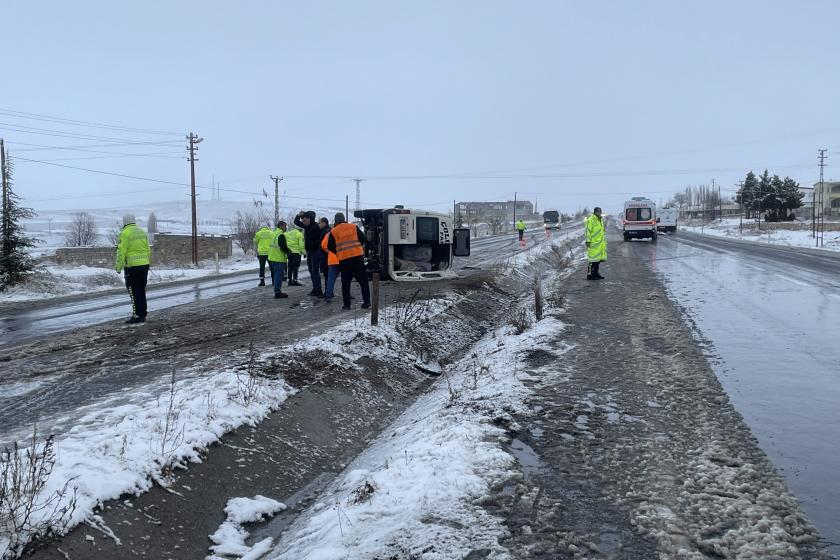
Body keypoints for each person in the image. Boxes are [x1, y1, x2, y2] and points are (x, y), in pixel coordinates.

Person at [328, 212, 370, 310]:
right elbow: (363, 239)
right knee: (363, 281)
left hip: (344, 260)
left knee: (346, 283)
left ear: (335, 221)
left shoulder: (333, 231)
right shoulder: (353, 227)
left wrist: (339, 251)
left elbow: (330, 246)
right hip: (357, 258)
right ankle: (367, 302)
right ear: (344, 219)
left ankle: (347, 305)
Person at [115, 213, 151, 324]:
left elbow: (121, 252)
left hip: (132, 267)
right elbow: (148, 250)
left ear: (124, 222)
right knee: (141, 290)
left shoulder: (124, 233)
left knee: (133, 291)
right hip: (144, 265)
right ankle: (142, 314)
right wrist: (146, 263)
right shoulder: (142, 232)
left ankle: (136, 315)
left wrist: (118, 267)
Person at [294, 210, 324, 297]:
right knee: (311, 271)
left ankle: (318, 289)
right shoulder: (306, 226)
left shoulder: (315, 227)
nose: (303, 222)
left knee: (315, 271)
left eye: (305, 221)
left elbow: (318, 240)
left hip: (315, 251)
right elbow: (296, 222)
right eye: (302, 221)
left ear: (310, 219)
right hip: (310, 252)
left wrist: (314, 246)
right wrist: (298, 215)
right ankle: (315, 288)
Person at [268, 221, 291, 298]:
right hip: (278, 258)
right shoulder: (280, 235)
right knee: (278, 275)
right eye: (285, 226)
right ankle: (277, 292)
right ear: (281, 226)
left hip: (272, 257)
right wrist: (289, 251)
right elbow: (283, 247)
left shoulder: (274, 233)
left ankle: (277, 290)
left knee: (276, 275)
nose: (286, 228)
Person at [585, 207, 607, 280]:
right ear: (595, 212)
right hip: (593, 243)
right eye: (598, 212)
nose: (599, 213)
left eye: (600, 212)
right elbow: (587, 231)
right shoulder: (591, 220)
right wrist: (588, 241)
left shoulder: (600, 219)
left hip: (599, 243)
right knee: (592, 260)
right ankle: (590, 275)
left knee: (598, 260)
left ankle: (596, 273)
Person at [320, 227, 340, 302]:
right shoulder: (342, 233)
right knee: (345, 279)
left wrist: (330, 252)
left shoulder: (329, 234)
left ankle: (328, 295)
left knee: (331, 278)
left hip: (332, 259)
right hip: (343, 258)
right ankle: (347, 294)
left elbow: (323, 245)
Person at [318, 217, 331, 288]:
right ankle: (328, 291)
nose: (318, 224)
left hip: (325, 256)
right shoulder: (327, 230)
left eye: (319, 223)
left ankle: (328, 292)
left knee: (327, 275)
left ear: (324, 223)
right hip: (326, 256)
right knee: (327, 275)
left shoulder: (325, 231)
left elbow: (323, 245)